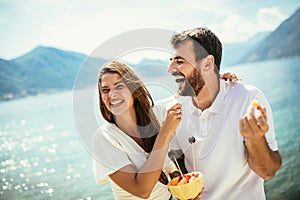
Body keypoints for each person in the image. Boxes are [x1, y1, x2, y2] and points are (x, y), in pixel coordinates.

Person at [154, 27, 282, 199]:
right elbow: (179, 160)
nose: (170, 68)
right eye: (171, 60)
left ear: (207, 63)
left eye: (179, 61)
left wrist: (255, 138)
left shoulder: (248, 98)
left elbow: (267, 172)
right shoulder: (174, 109)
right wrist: (184, 186)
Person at [92, 61, 183, 199]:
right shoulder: (104, 138)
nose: (112, 94)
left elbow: (193, 93)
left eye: (119, 86)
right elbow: (142, 190)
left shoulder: (158, 113)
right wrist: (165, 132)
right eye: (106, 90)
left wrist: (222, 82)